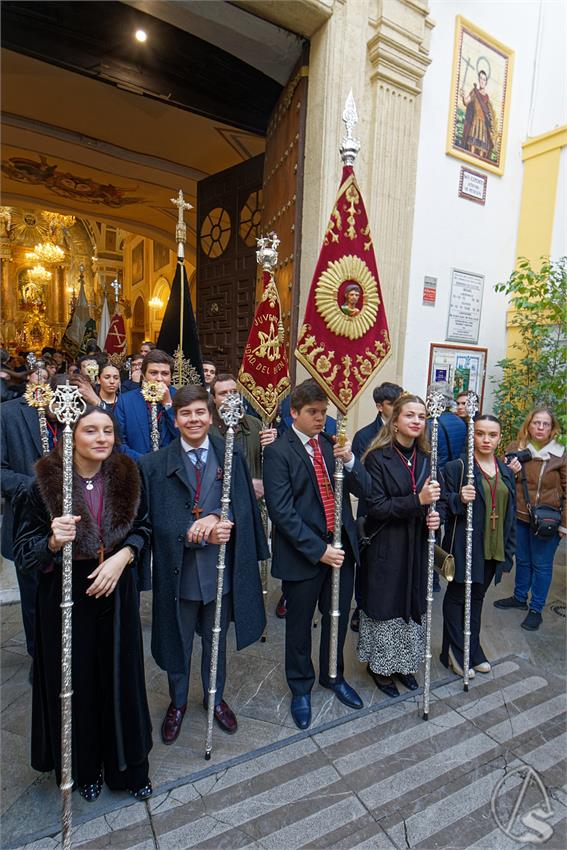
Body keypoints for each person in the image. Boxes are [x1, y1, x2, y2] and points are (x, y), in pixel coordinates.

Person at [13, 407, 153, 801]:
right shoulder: (41, 485)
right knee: (78, 685)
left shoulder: (128, 476)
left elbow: (143, 529)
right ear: (70, 436)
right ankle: (85, 767)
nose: (101, 438)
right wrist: (53, 542)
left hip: (116, 591)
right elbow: (23, 550)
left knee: (121, 679)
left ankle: (129, 768)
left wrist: (122, 557)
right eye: (90, 430)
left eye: (107, 430)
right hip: (65, 598)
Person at [139, 385, 268, 743]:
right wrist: (192, 531)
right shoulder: (153, 466)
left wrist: (216, 516)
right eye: (186, 414)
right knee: (178, 643)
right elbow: (150, 522)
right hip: (179, 574)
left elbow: (243, 506)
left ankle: (215, 698)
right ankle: (177, 702)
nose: (194, 420)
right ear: (175, 419)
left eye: (200, 412)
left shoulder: (231, 456)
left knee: (216, 641)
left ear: (210, 416)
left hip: (219, 573)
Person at [263, 379, 372, 730]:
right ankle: (300, 687)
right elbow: (282, 511)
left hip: (341, 549)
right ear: (294, 412)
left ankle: (333, 673)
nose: (320, 419)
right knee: (298, 625)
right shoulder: (279, 452)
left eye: (324, 413)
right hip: (304, 554)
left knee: (336, 617)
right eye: (313, 412)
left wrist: (351, 460)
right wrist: (319, 550)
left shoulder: (331, 445)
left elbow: (364, 489)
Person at [357, 394, 440, 698]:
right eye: (410, 415)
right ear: (395, 422)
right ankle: (380, 668)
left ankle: (404, 663)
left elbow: (435, 499)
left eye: (422, 416)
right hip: (386, 544)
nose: (417, 421)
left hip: (415, 542)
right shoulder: (377, 457)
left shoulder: (428, 457)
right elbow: (376, 506)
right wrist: (417, 501)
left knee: (412, 600)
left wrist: (435, 517)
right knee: (386, 603)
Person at [440, 415, 516, 677]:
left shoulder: (506, 472)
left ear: (499, 437)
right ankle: (456, 651)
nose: (486, 439)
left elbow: (510, 515)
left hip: (492, 548)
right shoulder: (457, 468)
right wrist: (459, 498)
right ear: (472, 436)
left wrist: (508, 553)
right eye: (480, 433)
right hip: (465, 545)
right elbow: (442, 507)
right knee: (457, 597)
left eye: (492, 435)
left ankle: (472, 649)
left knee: (477, 599)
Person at [494, 407, 566, 631]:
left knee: (542, 565)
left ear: (552, 428)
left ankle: (536, 608)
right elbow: (503, 482)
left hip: (548, 520)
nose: (540, 428)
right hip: (520, 516)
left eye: (545, 424)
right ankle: (519, 597)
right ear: (529, 425)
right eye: (536, 423)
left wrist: (565, 524)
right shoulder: (515, 449)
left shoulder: (561, 454)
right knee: (522, 560)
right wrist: (509, 471)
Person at [0, 366, 52, 666]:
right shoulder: (7, 414)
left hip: (72, 527)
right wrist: (34, 485)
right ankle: (39, 656)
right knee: (33, 599)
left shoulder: (72, 411)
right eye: (36, 375)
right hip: (27, 526)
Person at [210, 374, 276, 500]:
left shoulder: (255, 424)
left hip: (254, 498)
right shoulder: (207, 427)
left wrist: (272, 444)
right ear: (214, 398)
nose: (230, 397)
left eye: (234, 392)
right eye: (223, 393)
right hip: (218, 500)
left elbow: (269, 460)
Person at [427, 381, 466, 593]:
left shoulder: (430, 424)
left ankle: (430, 576)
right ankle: (445, 570)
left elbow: (428, 455)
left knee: (433, 526)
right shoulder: (461, 423)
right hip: (455, 479)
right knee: (449, 525)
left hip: (437, 478)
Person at [114, 349, 177, 459]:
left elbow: (184, 437)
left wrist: (168, 405)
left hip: (171, 468)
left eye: (165, 374)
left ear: (171, 377)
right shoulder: (126, 401)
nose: (159, 379)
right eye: (153, 373)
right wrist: (145, 462)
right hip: (137, 468)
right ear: (143, 376)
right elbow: (118, 443)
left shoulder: (179, 398)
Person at [460, 70, 498, 161]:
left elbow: (490, 116)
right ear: (478, 79)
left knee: (482, 153)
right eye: (481, 78)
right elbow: (466, 102)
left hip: (483, 129)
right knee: (471, 149)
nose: (482, 81)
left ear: (486, 82)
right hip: (474, 125)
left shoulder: (487, 100)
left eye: (484, 79)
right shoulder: (474, 93)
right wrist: (463, 95)